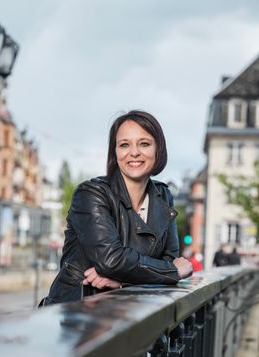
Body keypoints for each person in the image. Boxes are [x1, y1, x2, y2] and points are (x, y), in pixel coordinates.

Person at [42, 110, 192, 305]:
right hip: (78, 313)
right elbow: (112, 260)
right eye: (124, 145)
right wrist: (171, 272)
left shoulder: (163, 196)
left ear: (158, 150)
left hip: (131, 314)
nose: (134, 152)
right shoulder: (91, 194)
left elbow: (169, 259)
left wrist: (122, 280)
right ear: (115, 152)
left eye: (144, 143)